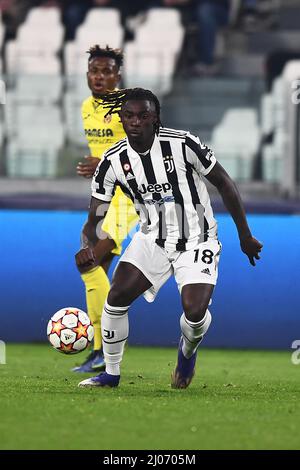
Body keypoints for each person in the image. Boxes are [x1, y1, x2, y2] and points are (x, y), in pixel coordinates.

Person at [76, 87, 263, 389]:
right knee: (116, 297)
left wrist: (245, 236)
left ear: (156, 117)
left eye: (143, 115)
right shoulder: (112, 161)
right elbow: (96, 215)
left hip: (198, 239)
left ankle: (186, 354)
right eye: (129, 116)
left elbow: (225, 184)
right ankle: (111, 373)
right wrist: (88, 246)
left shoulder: (184, 144)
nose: (135, 121)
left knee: (194, 311)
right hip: (152, 239)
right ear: (121, 119)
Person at [72, 46, 138, 373]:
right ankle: (101, 349)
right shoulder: (87, 107)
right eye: (94, 71)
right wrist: (97, 169)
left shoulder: (129, 106)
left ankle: (103, 349)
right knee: (92, 267)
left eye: (106, 71)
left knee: (91, 260)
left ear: (118, 75)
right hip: (105, 197)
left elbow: (143, 151)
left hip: (130, 196)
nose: (99, 77)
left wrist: (103, 162)